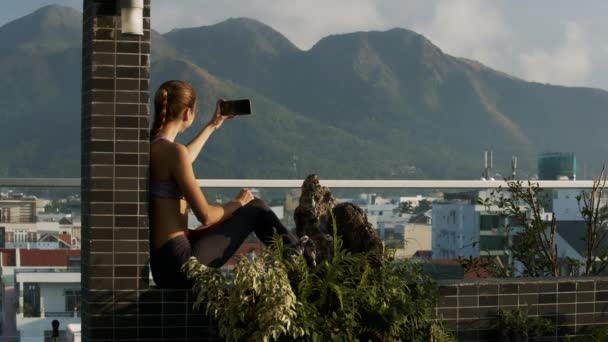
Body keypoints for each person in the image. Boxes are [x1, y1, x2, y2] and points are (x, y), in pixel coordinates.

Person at [148, 80, 296, 289]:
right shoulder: (173, 152)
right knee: (256, 209)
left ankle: (299, 256)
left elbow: (184, 157)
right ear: (188, 113)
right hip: (180, 262)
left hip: (164, 264)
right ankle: (302, 261)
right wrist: (237, 202)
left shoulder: (154, 148)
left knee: (253, 209)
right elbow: (206, 215)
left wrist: (213, 125)